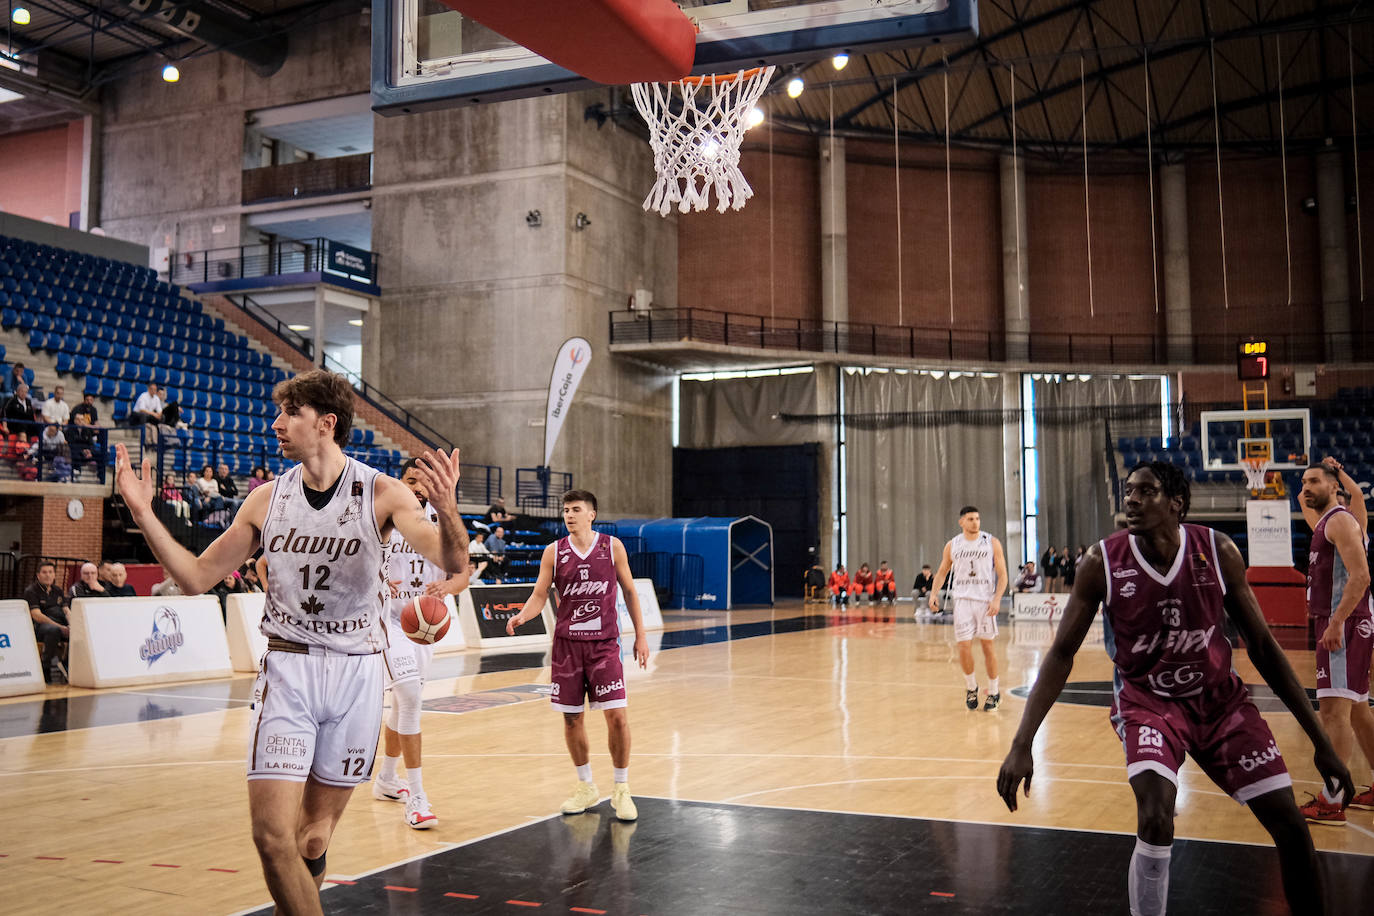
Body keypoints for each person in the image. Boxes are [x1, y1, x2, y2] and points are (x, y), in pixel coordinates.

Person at [112, 367, 467, 914]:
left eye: (289, 414)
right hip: (288, 671)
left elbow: (452, 560)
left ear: (325, 424)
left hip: (357, 675)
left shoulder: (383, 493)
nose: (276, 424)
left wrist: (446, 510)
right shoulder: (265, 500)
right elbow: (196, 577)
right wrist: (142, 512)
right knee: (272, 839)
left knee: (311, 840)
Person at [998, 461, 1353, 916]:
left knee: (1288, 822)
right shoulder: (1100, 561)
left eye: (1146, 492)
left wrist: (1321, 743)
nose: (1131, 500)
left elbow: (1263, 647)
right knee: (1155, 814)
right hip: (1147, 704)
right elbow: (1061, 654)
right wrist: (1022, 743)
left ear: (1176, 504)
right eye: (1129, 491)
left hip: (1220, 703)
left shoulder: (1217, 551)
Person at [506, 489, 649, 822]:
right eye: (566, 510)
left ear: (592, 514)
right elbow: (540, 593)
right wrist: (523, 615)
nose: (569, 515)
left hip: (604, 645)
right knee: (572, 718)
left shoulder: (612, 546)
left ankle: (622, 788)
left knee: (617, 716)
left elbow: (629, 590)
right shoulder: (553, 552)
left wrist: (641, 636)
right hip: (568, 647)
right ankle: (586, 786)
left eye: (576, 510)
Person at [373, 458, 469, 829]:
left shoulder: (441, 527)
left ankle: (385, 779)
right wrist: (380, 581)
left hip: (424, 627)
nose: (417, 485)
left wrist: (448, 587)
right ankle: (417, 796)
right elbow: (360, 564)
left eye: (424, 481)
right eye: (410, 478)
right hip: (390, 620)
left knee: (403, 704)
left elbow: (463, 573)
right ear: (401, 482)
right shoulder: (385, 519)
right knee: (411, 697)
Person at [1295, 461, 1374, 824]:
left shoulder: (1342, 520)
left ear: (1334, 488)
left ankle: (1333, 797)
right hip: (1346, 621)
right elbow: (1305, 501)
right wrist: (1311, 486)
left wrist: (1337, 621)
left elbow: (1361, 576)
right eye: (1304, 482)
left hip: (1344, 622)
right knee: (1357, 710)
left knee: (1333, 713)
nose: (1306, 487)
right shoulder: (1327, 524)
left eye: (1314, 481)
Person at [930, 505, 1009, 711]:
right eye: (971, 519)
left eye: (977, 518)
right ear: (961, 522)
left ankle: (994, 691)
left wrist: (997, 598)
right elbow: (941, 572)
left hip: (985, 601)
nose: (976, 522)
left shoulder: (991, 542)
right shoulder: (953, 545)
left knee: (987, 647)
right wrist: (933, 594)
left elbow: (1003, 575)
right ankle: (971, 687)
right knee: (963, 646)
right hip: (963, 601)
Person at [25, 561, 70, 684]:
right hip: (40, 627)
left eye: (50, 572)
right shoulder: (31, 591)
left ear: (54, 575)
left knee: (78, 632)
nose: (48, 575)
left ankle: (67, 665)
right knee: (53, 630)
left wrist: (72, 625)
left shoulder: (58, 590)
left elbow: (66, 611)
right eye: (44, 572)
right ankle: (46, 667)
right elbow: (37, 615)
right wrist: (60, 627)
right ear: (38, 575)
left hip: (60, 624)